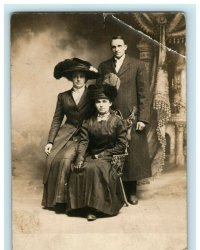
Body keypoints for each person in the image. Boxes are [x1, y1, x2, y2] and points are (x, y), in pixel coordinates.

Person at [98, 35, 152, 205]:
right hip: (110, 115)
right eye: (113, 47)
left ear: (126, 47)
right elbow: (100, 93)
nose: (116, 49)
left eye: (119, 46)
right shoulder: (104, 66)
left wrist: (143, 118)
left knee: (132, 154)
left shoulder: (137, 65)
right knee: (112, 151)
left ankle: (131, 192)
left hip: (131, 116)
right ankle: (114, 191)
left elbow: (144, 94)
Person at [42, 58, 99, 211]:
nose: (78, 79)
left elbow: (105, 99)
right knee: (52, 160)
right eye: (75, 76)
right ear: (70, 78)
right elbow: (57, 119)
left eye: (81, 76)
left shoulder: (93, 94)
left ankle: (62, 201)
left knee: (66, 159)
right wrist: (50, 141)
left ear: (86, 78)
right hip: (66, 133)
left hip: (86, 134)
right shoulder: (63, 96)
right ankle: (52, 200)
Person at [66, 84, 127, 221]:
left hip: (109, 158)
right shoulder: (88, 122)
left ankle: (95, 208)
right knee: (78, 167)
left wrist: (102, 155)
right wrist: (80, 157)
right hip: (91, 155)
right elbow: (84, 142)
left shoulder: (117, 121)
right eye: (98, 102)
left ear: (110, 103)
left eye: (104, 101)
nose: (101, 105)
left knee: (94, 168)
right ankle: (79, 206)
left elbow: (122, 145)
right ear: (95, 104)